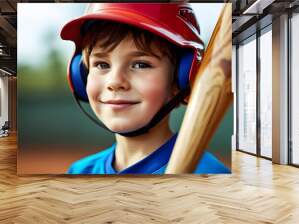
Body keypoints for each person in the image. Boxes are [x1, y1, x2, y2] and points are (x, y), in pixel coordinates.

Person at [60, 3, 230, 174]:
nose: (115, 81)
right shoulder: (79, 172)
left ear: (182, 79)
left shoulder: (211, 176)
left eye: (141, 64)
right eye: (102, 64)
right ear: (80, 76)